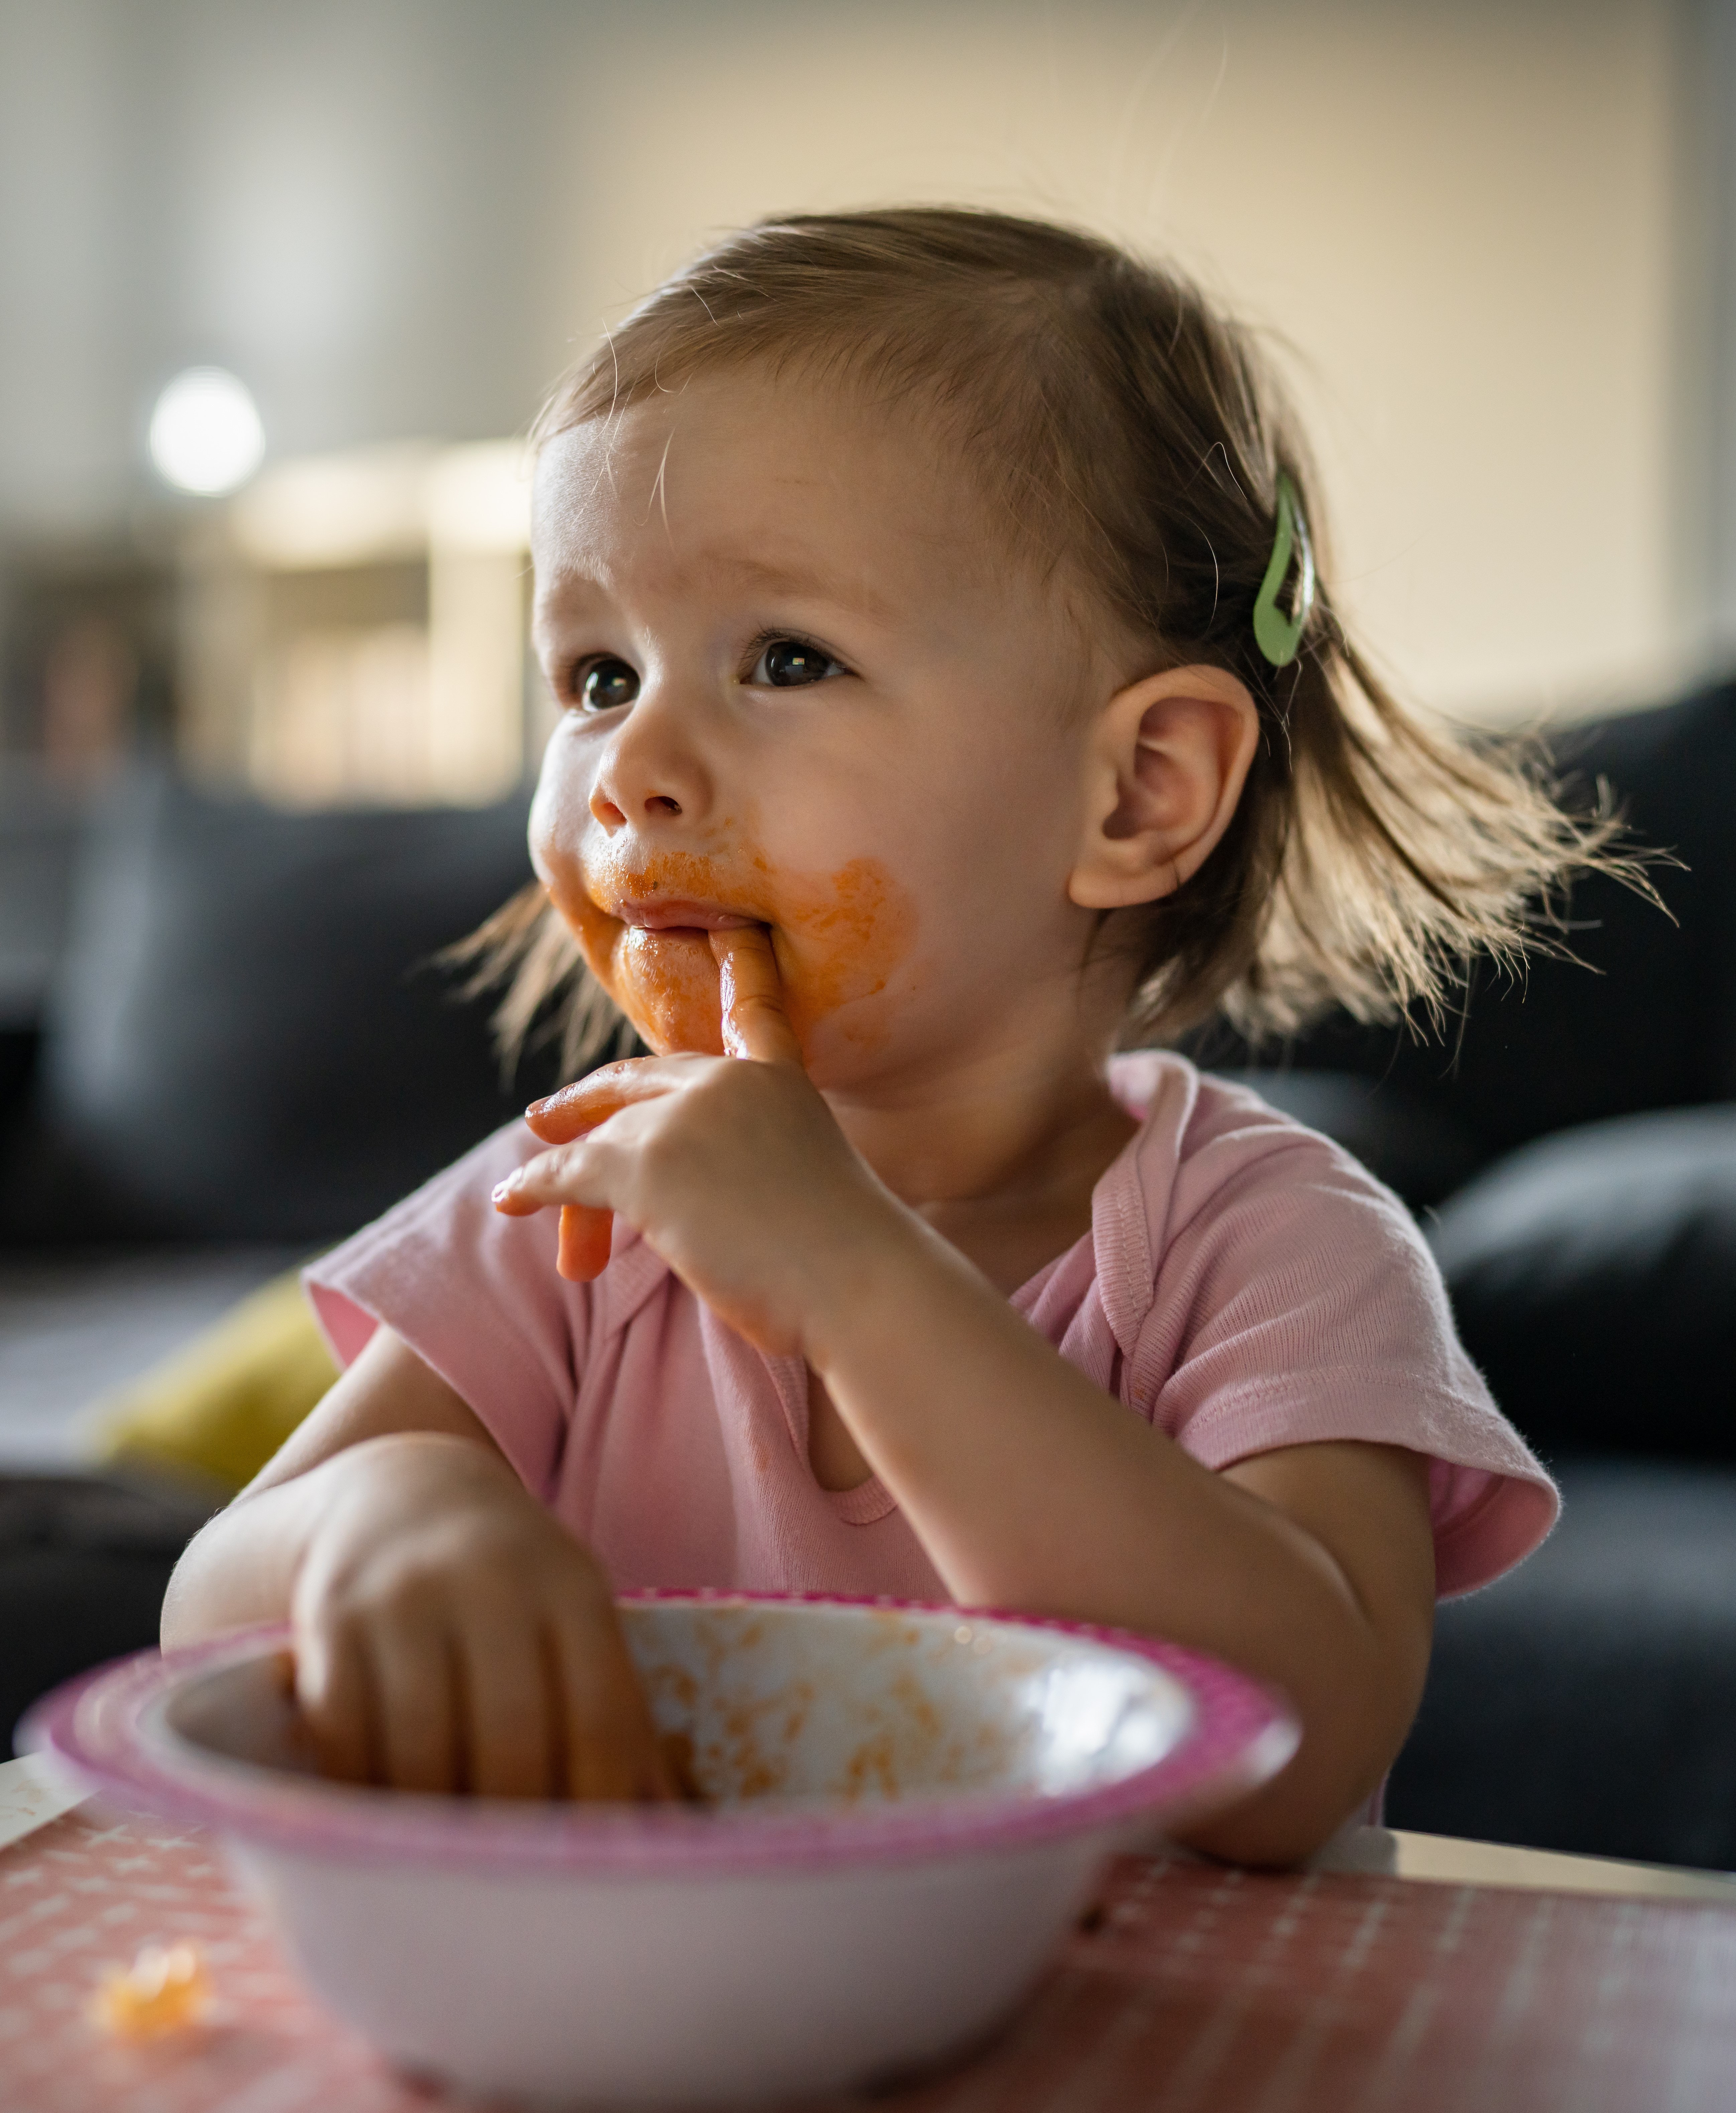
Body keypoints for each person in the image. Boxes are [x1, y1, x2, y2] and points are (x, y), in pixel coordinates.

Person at [162, 209, 1630, 1865]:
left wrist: (854, 1271)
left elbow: (1295, 1741)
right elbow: (205, 1594)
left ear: (1140, 790)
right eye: (590, 674)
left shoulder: (1270, 1243)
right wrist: (382, 1515)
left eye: (784, 657)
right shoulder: (581, 1196)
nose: (631, 758)